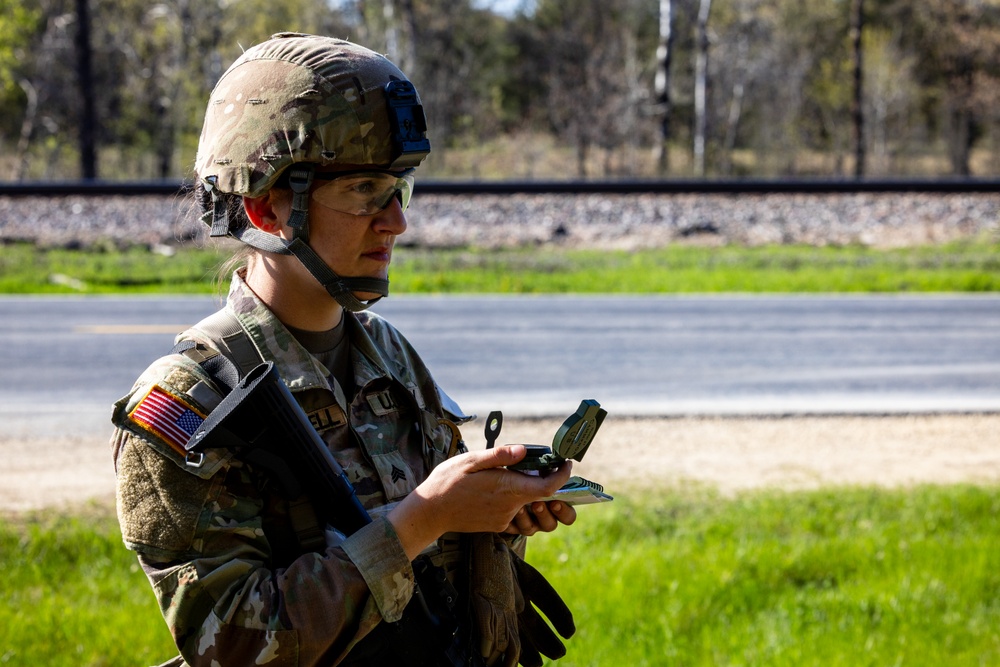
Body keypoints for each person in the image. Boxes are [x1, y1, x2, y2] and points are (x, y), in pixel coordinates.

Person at [110, 33, 579, 667]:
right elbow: (233, 644)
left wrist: (491, 513)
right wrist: (423, 518)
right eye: (363, 191)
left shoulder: (387, 353)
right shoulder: (191, 400)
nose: (395, 223)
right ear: (266, 208)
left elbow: (435, 561)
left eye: (397, 190)